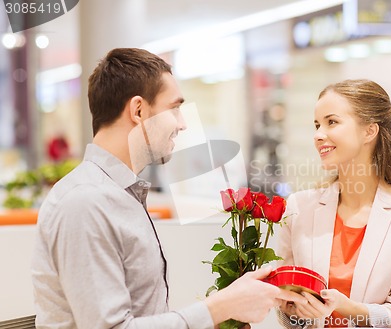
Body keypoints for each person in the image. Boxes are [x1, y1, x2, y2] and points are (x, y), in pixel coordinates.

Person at [31, 48, 306, 329]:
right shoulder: (86, 202)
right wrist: (219, 307)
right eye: (174, 108)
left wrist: (223, 312)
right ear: (138, 110)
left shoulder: (119, 195)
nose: (182, 124)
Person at [276, 79, 391, 328]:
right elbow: (288, 312)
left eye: (332, 122)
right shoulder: (300, 207)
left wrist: (345, 308)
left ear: (369, 131)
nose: (319, 135)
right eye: (317, 125)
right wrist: (293, 312)